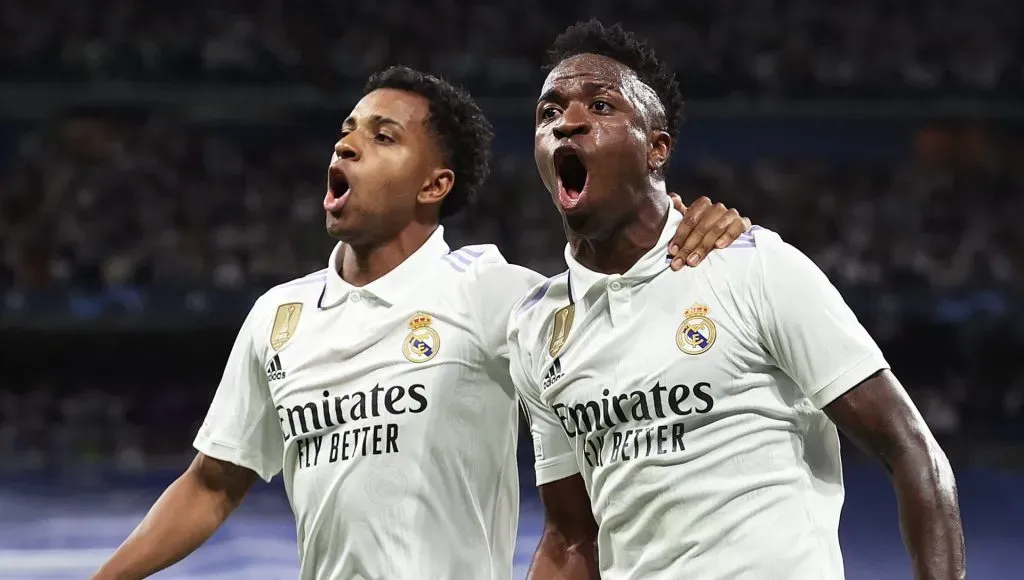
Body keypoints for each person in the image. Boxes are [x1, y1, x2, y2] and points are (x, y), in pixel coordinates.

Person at [91, 65, 751, 580]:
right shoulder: (278, 317)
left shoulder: (491, 293)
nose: (350, 142)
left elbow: (634, 315)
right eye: (347, 129)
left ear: (433, 186)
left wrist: (700, 238)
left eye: (383, 136)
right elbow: (212, 483)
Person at [509, 20, 966, 580]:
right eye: (548, 112)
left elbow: (911, 449)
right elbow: (571, 537)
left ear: (657, 149)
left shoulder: (754, 268)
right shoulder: (536, 328)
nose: (568, 121)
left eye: (601, 106)